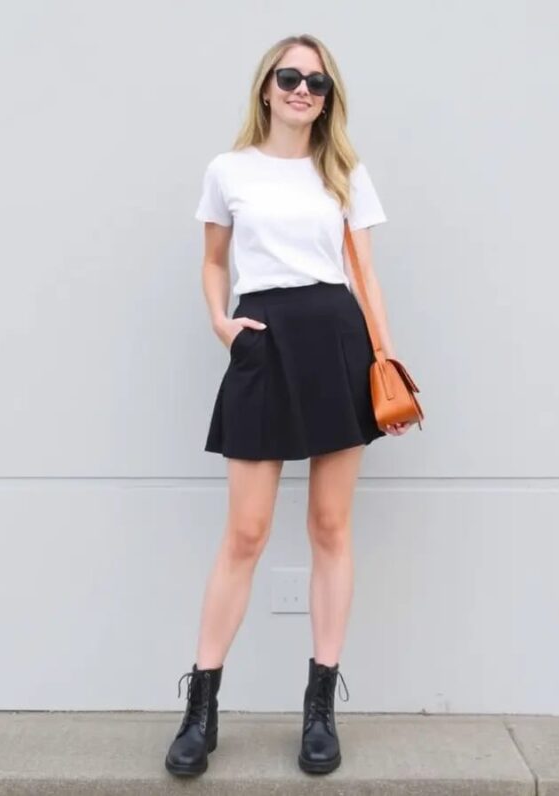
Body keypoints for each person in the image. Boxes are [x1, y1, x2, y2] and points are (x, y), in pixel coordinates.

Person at [165, 33, 412, 779]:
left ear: (328, 98)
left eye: (317, 82)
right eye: (290, 76)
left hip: (338, 342)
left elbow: (364, 272)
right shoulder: (228, 170)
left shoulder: (343, 172)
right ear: (266, 87)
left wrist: (385, 357)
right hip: (263, 344)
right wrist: (220, 323)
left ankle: (319, 710)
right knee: (245, 532)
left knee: (330, 526)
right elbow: (213, 259)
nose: (303, 89)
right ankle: (200, 710)